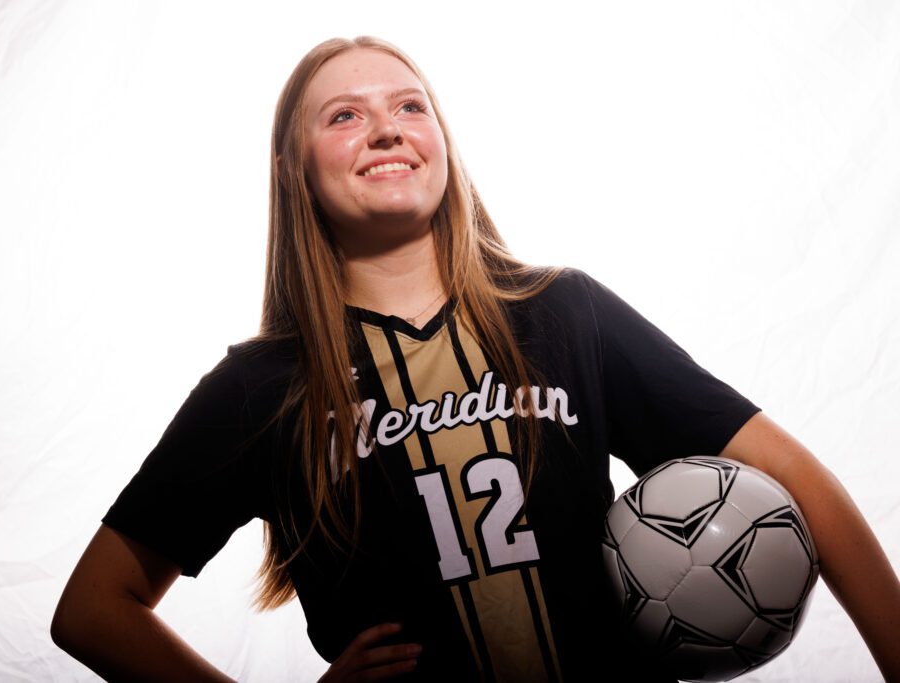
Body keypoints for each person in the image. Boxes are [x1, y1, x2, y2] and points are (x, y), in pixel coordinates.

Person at [51, 36, 900, 682]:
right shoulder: (261, 389)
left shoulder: (564, 311)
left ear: (443, 143)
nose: (386, 126)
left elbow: (801, 484)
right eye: (344, 115)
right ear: (295, 170)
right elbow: (93, 610)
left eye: (410, 106)